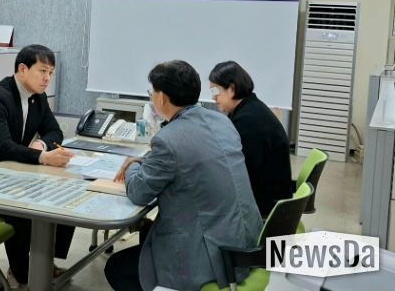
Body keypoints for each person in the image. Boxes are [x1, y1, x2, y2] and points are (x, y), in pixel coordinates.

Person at [105, 60, 262, 291]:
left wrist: (132, 167)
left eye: (152, 92)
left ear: (161, 98)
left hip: (209, 255)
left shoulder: (168, 139)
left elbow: (138, 192)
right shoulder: (222, 122)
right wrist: (145, 163)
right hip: (244, 242)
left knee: (116, 268)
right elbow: (187, 160)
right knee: (147, 234)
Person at [0, 44, 75, 289]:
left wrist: (42, 144)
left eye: (51, 73)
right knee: (22, 208)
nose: (47, 78)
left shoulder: (38, 97)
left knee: (65, 194)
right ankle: (21, 273)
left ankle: (44, 262)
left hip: (11, 170)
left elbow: (54, 131)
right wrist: (43, 158)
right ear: (23, 69)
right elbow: (3, 146)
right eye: (42, 71)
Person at [209, 60, 293, 217]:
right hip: (269, 198)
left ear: (232, 89)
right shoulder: (250, 108)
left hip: (265, 207)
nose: (214, 98)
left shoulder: (248, 121)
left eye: (215, 91)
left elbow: (239, 172)